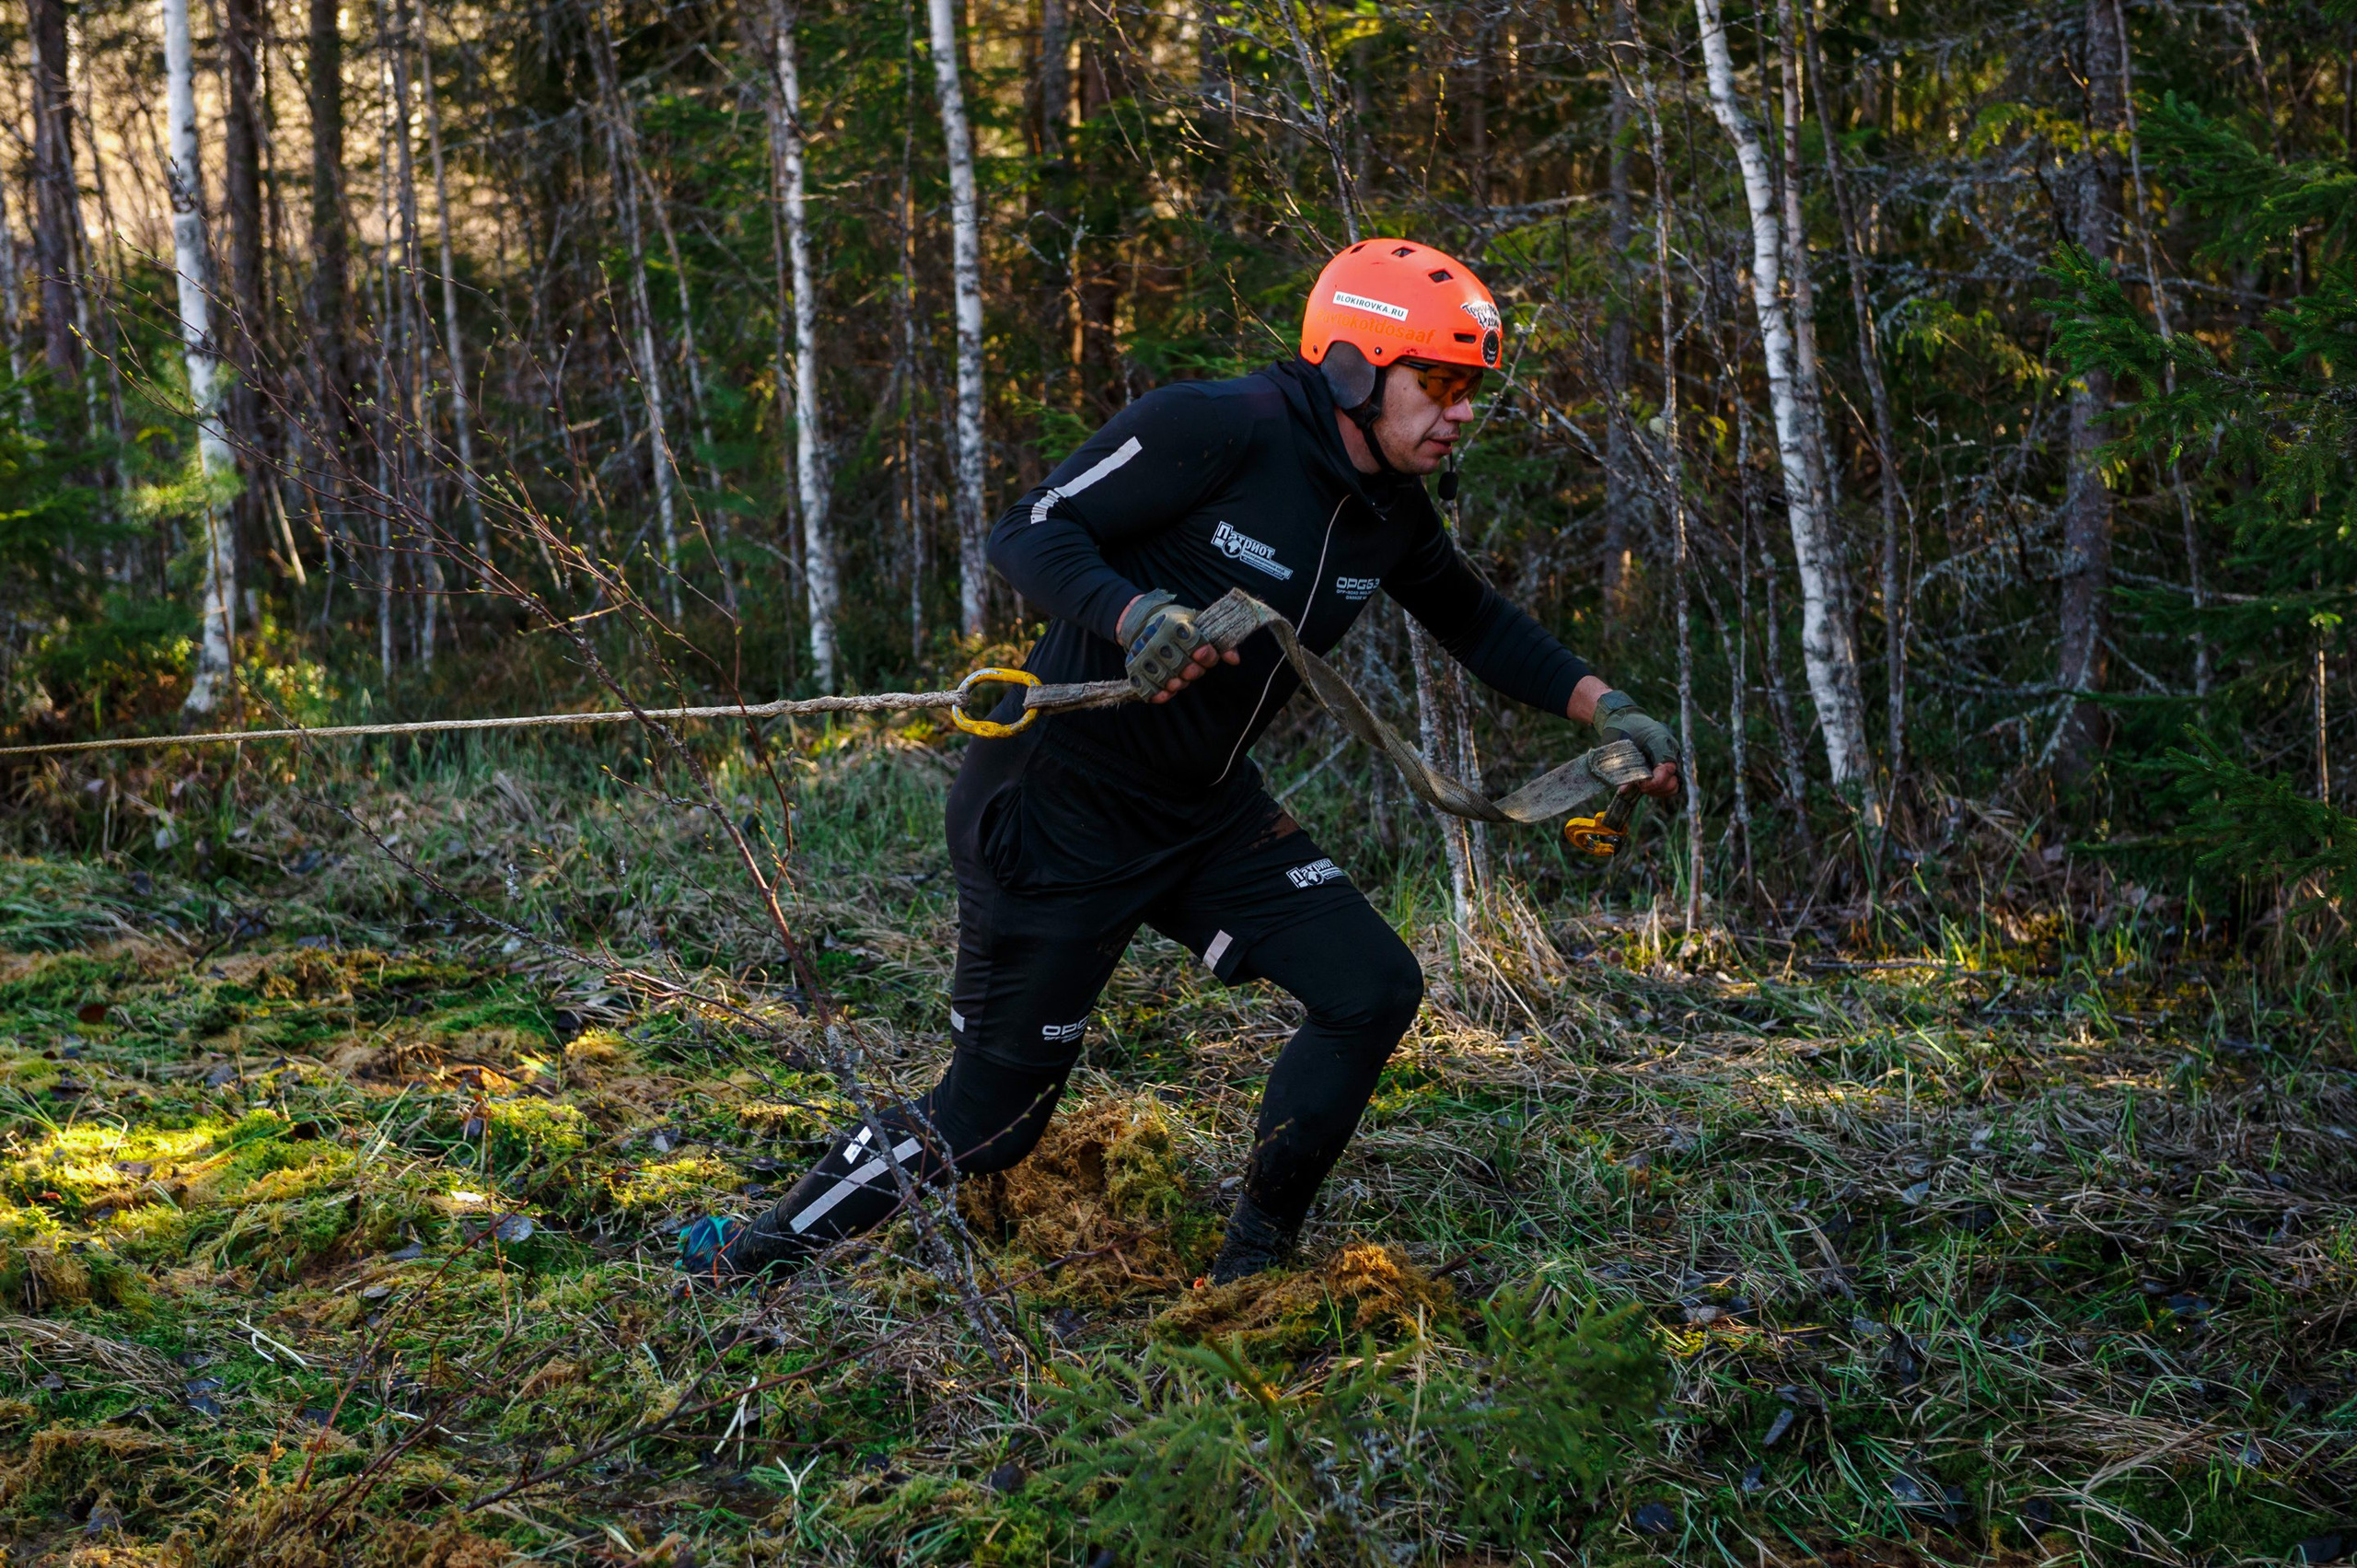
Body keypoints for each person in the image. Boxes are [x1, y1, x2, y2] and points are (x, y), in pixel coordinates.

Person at [679, 239, 1679, 1287]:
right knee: (992, 1122)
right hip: (1056, 809)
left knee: (1372, 986)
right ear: (1351, 365)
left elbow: (1474, 617)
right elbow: (1028, 529)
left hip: (1204, 814)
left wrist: (1605, 705)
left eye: (1473, 387)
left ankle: (1250, 1266)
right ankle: (749, 1256)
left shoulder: (1389, 510)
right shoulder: (1215, 427)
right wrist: (1134, 611)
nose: (1461, 410)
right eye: (1437, 381)